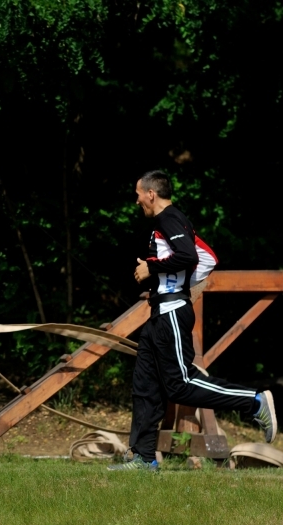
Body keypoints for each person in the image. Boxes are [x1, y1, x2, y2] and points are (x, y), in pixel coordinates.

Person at [108, 171, 277, 471]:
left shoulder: (170, 219)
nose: (136, 200)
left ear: (151, 193)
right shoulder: (169, 222)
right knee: (145, 384)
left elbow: (188, 257)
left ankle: (254, 402)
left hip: (171, 313)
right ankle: (144, 458)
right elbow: (208, 257)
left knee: (181, 384)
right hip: (161, 311)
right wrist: (168, 286)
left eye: (138, 193)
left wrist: (153, 270)